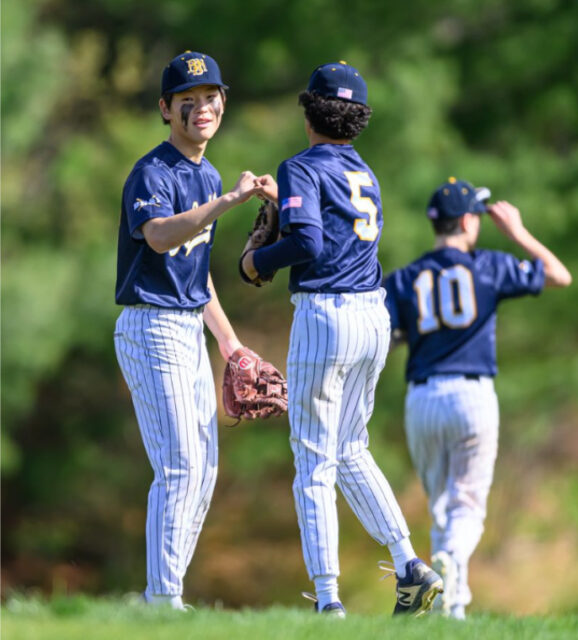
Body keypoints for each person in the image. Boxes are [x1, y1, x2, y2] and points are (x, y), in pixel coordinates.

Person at [241, 62, 443, 617]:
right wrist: (287, 196)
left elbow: (306, 239)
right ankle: (410, 567)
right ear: (359, 121)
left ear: (309, 113)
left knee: (314, 462)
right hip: (371, 316)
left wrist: (257, 259)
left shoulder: (301, 164)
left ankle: (328, 600)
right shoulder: (365, 171)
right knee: (350, 448)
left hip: (326, 315)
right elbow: (325, 220)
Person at [383, 177, 572, 619]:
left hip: (423, 397)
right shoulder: (488, 265)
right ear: (468, 220)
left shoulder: (406, 277)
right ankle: (449, 562)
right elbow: (559, 275)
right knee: (467, 508)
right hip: (472, 395)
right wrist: (518, 233)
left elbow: (387, 339)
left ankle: (455, 609)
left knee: (441, 507)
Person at [114, 51, 263, 610]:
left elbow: (196, 279)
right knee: (179, 464)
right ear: (165, 109)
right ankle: (162, 598)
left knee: (203, 471)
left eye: (210, 98)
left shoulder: (208, 172)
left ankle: (166, 595)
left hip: (186, 327)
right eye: (188, 101)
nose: (202, 108)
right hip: (150, 324)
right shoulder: (152, 172)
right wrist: (225, 203)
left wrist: (231, 345)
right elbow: (156, 237)